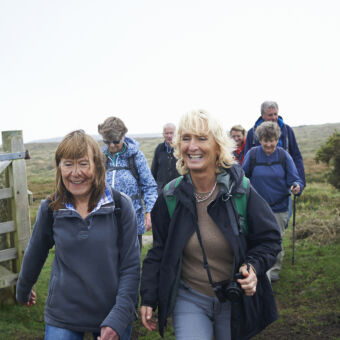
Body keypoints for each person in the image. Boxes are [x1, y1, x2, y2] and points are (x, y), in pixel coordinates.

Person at [140, 110, 282, 340]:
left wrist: (253, 267)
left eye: (201, 138)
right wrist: (148, 296)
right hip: (189, 297)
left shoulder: (240, 190)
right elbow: (159, 251)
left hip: (233, 297)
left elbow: (269, 240)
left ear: (218, 146)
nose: (192, 146)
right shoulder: (170, 196)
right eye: (186, 138)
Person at [16, 130, 140, 340]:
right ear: (59, 167)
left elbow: (131, 267)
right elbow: (35, 254)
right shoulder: (51, 208)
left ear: (97, 166)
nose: (75, 172)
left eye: (83, 164)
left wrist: (119, 317)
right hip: (63, 315)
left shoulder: (120, 205)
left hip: (112, 312)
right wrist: (23, 291)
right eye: (68, 164)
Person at [242, 121, 304, 282]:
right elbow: (242, 177)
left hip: (279, 207)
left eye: (272, 140)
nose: (269, 144)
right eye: (265, 140)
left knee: (276, 240)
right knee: (256, 240)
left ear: (277, 139)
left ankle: (273, 272)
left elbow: (295, 179)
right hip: (257, 209)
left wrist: (297, 186)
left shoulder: (284, 156)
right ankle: (261, 272)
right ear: (260, 139)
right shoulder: (253, 154)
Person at [98, 116, 158, 250]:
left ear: (124, 135)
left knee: (131, 266)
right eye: (107, 142)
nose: (112, 146)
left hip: (133, 223)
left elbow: (149, 186)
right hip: (105, 224)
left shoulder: (135, 156)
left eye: (116, 141)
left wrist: (150, 211)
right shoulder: (100, 157)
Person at [244, 101, 306, 187]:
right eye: (270, 115)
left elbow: (296, 156)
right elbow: (247, 159)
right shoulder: (252, 132)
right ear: (263, 116)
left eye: (275, 114)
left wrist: (300, 183)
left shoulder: (287, 130)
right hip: (259, 184)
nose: (274, 117)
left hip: (283, 182)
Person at [151, 122, 180, 194]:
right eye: (167, 133)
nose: (169, 136)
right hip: (161, 190)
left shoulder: (181, 148)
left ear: (176, 134)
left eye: (171, 133)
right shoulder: (159, 148)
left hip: (178, 188)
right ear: (163, 134)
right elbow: (154, 170)